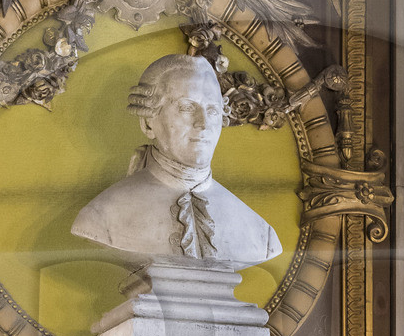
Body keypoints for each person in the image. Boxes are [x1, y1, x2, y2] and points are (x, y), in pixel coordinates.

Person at [70, 51, 282, 269]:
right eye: (187, 107)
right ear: (148, 124)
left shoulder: (260, 234)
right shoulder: (102, 216)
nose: (203, 123)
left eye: (212, 110)